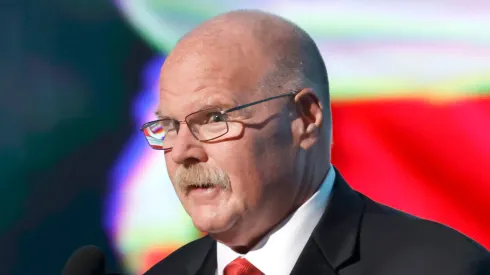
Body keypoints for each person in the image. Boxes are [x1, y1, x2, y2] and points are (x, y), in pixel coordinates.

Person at [140, 9, 490, 275]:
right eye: (168, 126)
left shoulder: (440, 266)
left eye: (215, 118)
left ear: (306, 118)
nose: (182, 151)